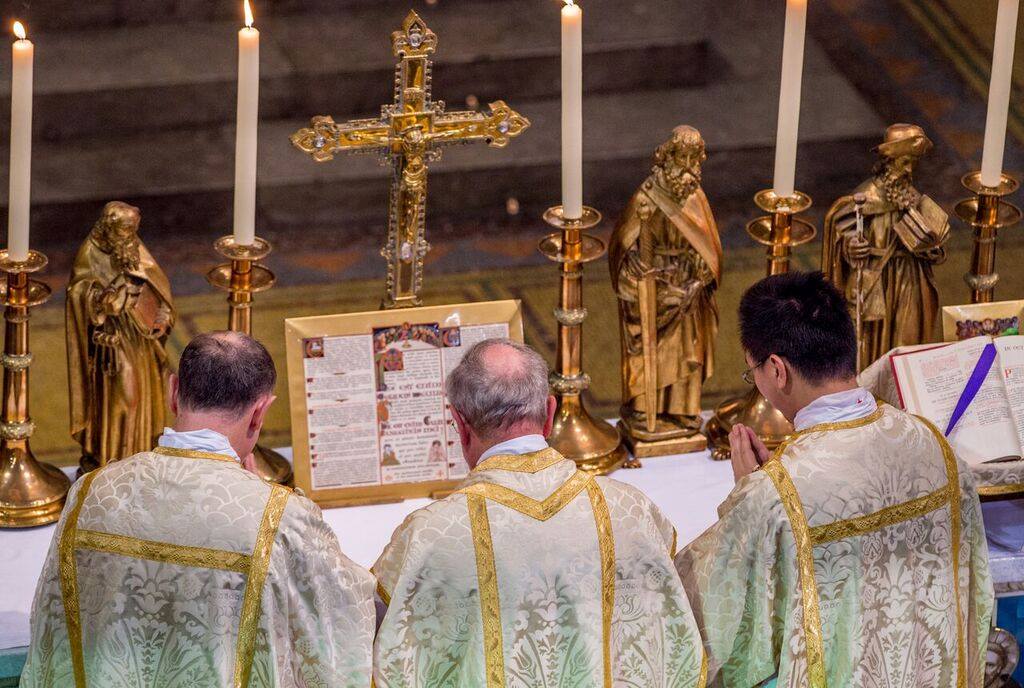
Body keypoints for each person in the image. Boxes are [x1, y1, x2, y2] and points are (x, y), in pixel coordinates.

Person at [675, 272, 992, 687]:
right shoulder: (939, 450)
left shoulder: (774, 495)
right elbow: (976, 599)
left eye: (752, 372)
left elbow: (709, 618)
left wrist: (747, 498)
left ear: (777, 369)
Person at [22, 331, 375, 688]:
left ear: (173, 393)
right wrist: (265, 497)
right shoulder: (280, 519)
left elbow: (51, 634)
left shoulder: (90, 494)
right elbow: (342, 616)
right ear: (260, 412)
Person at [373, 338, 706, 687]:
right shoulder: (630, 511)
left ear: (460, 423)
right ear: (549, 414)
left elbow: (383, 644)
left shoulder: (430, 536)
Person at [821, 124, 949, 369]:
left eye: (913, 163)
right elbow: (842, 231)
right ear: (889, 162)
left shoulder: (911, 197)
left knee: (908, 339)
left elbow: (931, 237)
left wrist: (932, 247)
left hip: (911, 281)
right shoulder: (866, 197)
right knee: (873, 346)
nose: (909, 170)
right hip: (878, 281)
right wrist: (851, 248)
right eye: (904, 163)